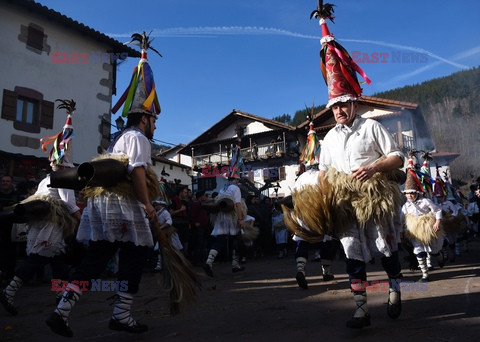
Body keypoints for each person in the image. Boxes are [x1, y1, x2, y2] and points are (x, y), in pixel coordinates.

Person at [46, 33, 162, 337]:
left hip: (106, 205)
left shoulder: (119, 138)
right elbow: (137, 172)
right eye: (154, 118)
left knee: (95, 260)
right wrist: (148, 204)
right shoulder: (138, 139)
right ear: (145, 116)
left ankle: (63, 311)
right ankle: (121, 315)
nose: (156, 124)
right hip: (124, 208)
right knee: (136, 256)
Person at [309, 4, 403, 329]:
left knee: (384, 247)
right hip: (345, 201)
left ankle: (394, 287)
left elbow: (397, 158)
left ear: (353, 102)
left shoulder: (371, 126)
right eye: (333, 106)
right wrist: (322, 202)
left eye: (341, 105)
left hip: (374, 196)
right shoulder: (328, 140)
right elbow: (323, 173)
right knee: (352, 252)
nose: (337, 111)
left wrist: (375, 169)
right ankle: (361, 309)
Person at [1, 158, 81, 315]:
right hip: (51, 224)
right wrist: (82, 221)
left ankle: (60, 297)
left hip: (40, 222)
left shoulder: (46, 179)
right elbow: (68, 203)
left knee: (59, 260)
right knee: (38, 258)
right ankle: (8, 291)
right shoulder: (64, 177)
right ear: (65, 166)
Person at [401, 163, 444, 282]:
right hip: (415, 231)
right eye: (408, 193)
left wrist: (437, 222)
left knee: (434, 250)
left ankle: (439, 255)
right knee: (418, 251)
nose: (410, 195)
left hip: (428, 228)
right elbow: (401, 219)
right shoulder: (405, 206)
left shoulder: (425, 201)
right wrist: (401, 232)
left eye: (412, 193)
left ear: (417, 192)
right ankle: (425, 274)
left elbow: (437, 210)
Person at [203, 173, 246, 277]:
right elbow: (238, 204)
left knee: (220, 240)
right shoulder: (235, 188)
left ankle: (209, 262)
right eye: (237, 180)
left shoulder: (222, 189)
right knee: (235, 240)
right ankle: (235, 264)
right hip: (232, 216)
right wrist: (240, 219)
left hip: (221, 217)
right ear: (235, 179)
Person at [0, 175, 22, 284]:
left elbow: (20, 208)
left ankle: (10, 275)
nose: (5, 183)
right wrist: (11, 207)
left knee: (12, 253)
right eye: (3, 181)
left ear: (11, 182)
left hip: (13, 228)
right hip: (1, 228)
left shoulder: (16, 195)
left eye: (7, 181)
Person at [153, 200, 182, 271]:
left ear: (161, 205)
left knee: (171, 248)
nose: (155, 206)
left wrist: (161, 227)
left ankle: (175, 264)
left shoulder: (165, 212)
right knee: (161, 248)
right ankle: (160, 265)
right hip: (161, 232)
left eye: (157, 205)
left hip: (167, 232)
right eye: (155, 205)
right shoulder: (156, 213)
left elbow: (169, 221)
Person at [189, 191, 210, 266]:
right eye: (204, 195)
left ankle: (201, 259)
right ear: (201, 196)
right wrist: (195, 222)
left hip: (204, 226)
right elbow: (192, 214)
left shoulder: (202, 204)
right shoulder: (195, 204)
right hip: (199, 227)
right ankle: (197, 260)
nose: (205, 197)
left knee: (203, 244)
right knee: (199, 244)